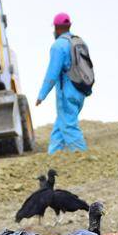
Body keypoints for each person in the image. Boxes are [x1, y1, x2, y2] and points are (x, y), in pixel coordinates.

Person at [36, 12, 88, 153]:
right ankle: (53, 154)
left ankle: (83, 157)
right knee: (61, 125)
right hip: (81, 91)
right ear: (69, 26)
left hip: (67, 93)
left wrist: (42, 95)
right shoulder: (79, 42)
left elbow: (52, 74)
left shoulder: (58, 46)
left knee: (69, 127)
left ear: (57, 28)